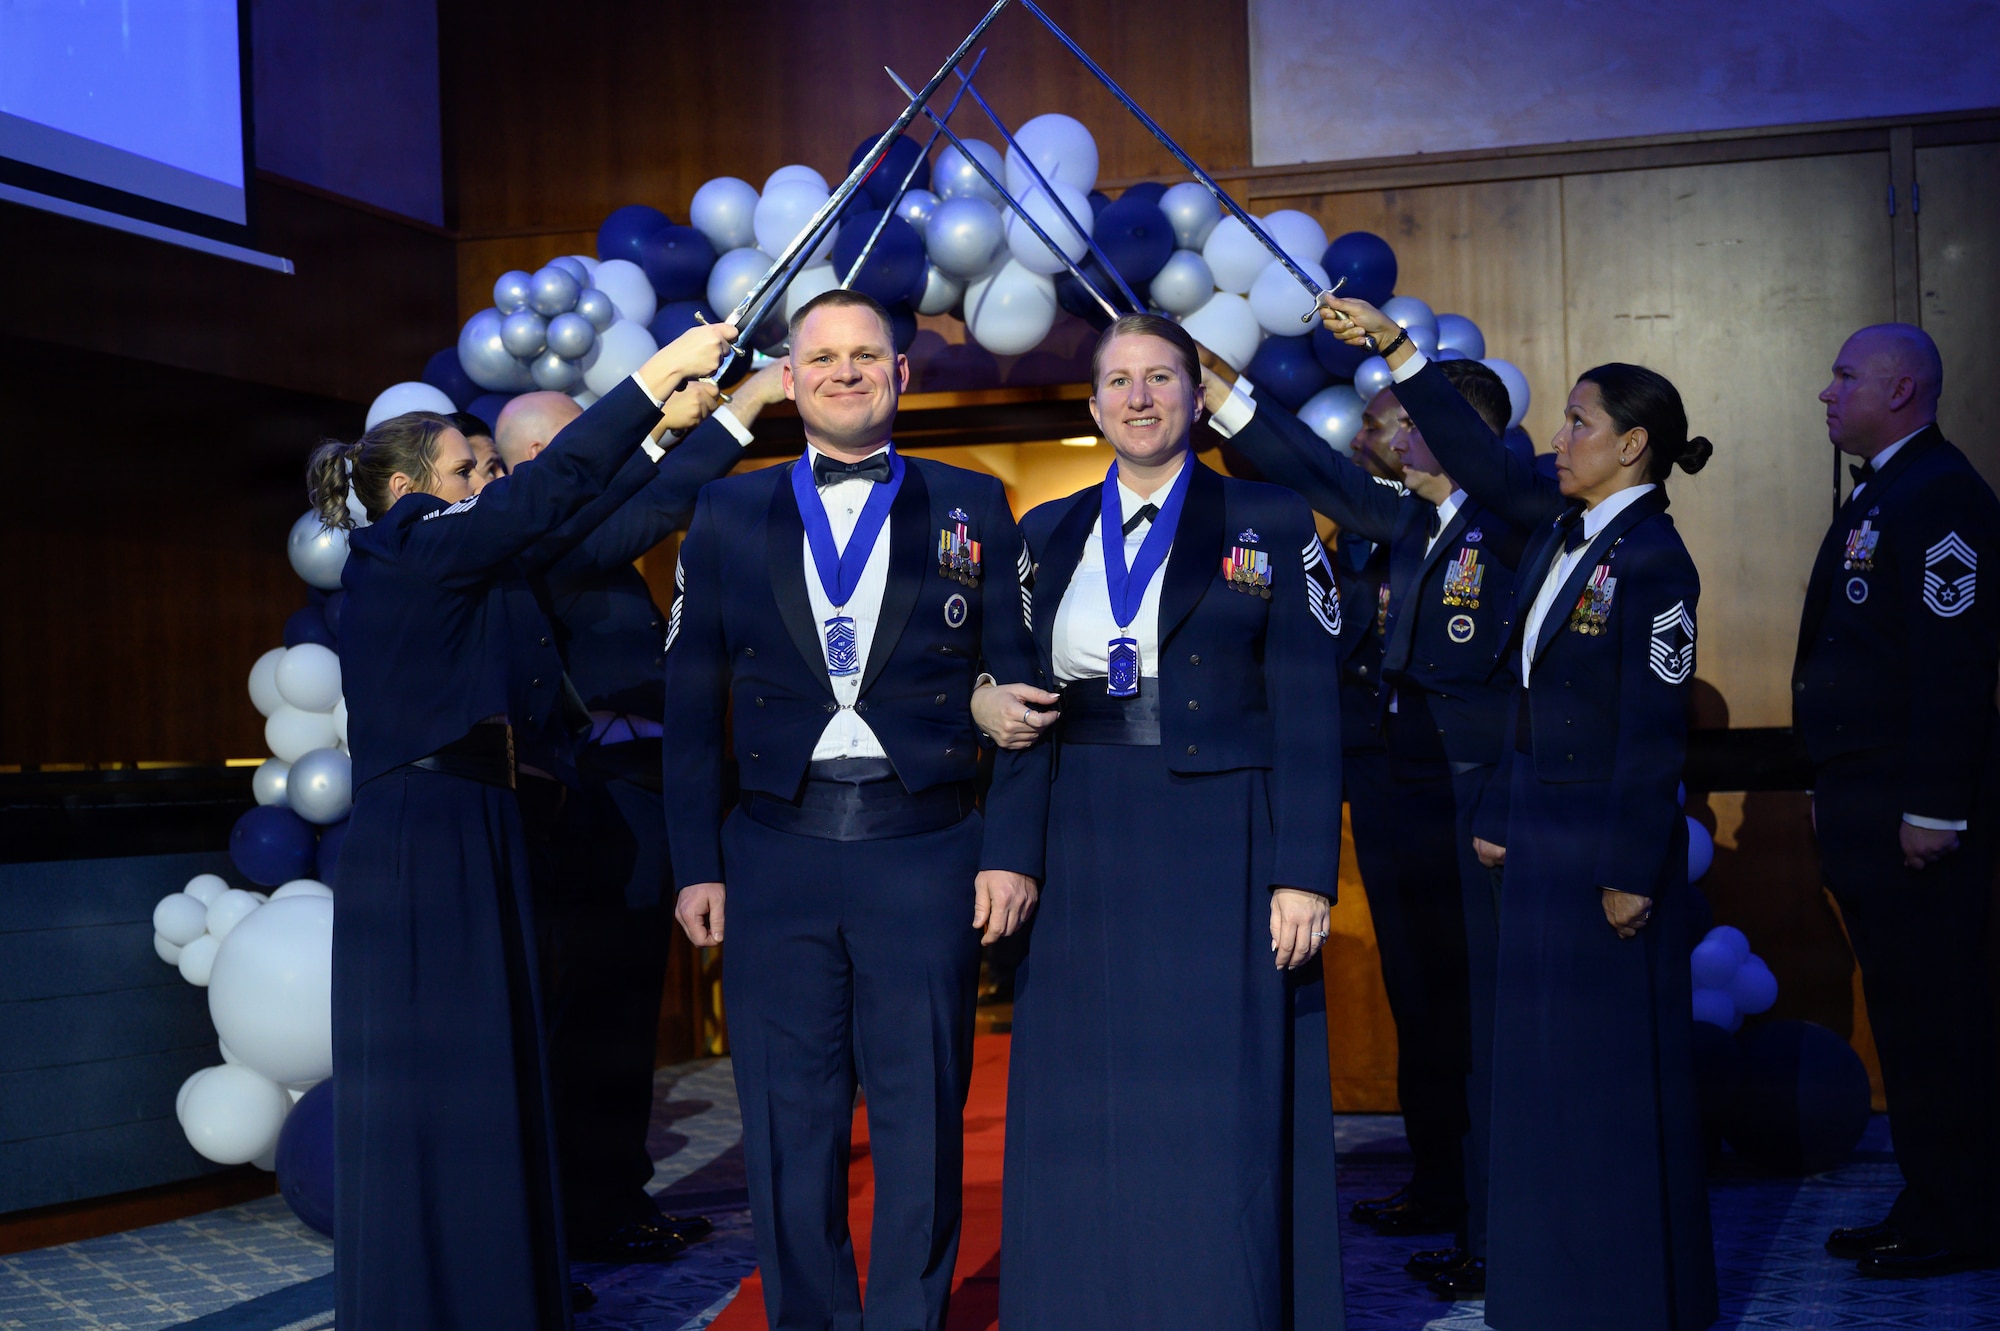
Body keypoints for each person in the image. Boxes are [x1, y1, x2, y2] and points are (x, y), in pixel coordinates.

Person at [308, 320, 734, 1331]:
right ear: (413, 488)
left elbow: (572, 505)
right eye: (468, 469)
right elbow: (548, 490)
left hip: (472, 822)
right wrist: (650, 378)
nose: (484, 484)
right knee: (450, 1076)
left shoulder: (444, 558)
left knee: (490, 1072)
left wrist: (669, 427)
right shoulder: (412, 549)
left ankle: (494, 1289)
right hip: (429, 831)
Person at [1323, 294, 1718, 1330]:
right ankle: (1560, 1276)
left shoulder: (1652, 561)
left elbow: (1650, 728)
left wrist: (1633, 865)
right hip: (1539, 836)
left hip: (1600, 851)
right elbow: (1523, 700)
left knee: (1602, 1081)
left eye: (1578, 422)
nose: (1557, 437)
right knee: (1542, 1071)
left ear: (1632, 445)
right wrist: (1402, 354)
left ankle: (1629, 1289)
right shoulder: (1559, 536)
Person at [661, 289, 1047, 1331]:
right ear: (787, 379)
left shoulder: (974, 502)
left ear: (899, 373)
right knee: (790, 1120)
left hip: (922, 845)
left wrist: (1008, 851)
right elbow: (691, 705)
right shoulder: (727, 507)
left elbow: (1017, 691)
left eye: (864, 355)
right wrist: (695, 861)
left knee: (921, 1112)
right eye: (821, 356)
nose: (844, 371)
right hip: (772, 850)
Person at [983, 313, 1345, 1330]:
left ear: (1195, 396)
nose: (1138, 398)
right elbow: (1019, 704)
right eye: (1118, 381)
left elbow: (1311, 706)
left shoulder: (1270, 516)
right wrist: (1009, 852)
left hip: (1220, 828)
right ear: (1092, 404)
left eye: (1160, 379)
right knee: (1087, 1097)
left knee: (1210, 1096)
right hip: (1081, 829)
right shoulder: (1043, 530)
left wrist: (1303, 869)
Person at [1202, 352, 1525, 1295]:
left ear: (1449, 431)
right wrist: (1226, 395)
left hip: (1474, 800)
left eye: (1397, 421)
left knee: (1473, 1014)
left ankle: (1491, 1221)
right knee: (1424, 1001)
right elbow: (1311, 470)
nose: (1373, 435)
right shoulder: (1413, 519)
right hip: (1401, 785)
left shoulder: (1508, 521)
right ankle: (1444, 1188)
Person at [487, 368, 790, 1263]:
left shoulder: (570, 527)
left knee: (621, 1019)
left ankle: (613, 1197)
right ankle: (591, 1211)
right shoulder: (541, 534)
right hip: (596, 810)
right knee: (597, 1024)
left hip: (637, 798)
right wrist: (737, 416)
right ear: (546, 456)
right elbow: (660, 503)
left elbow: (650, 493)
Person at [1800, 324, 2000, 1276]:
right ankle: (1929, 1199)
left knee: (1940, 1021)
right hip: (1865, 797)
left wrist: (1935, 807)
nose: (1828, 392)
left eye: (1846, 376)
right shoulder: (1886, 487)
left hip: (1911, 808)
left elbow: (1954, 667)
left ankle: (1960, 1216)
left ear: (1905, 386)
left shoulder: (1944, 495)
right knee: (1911, 1018)